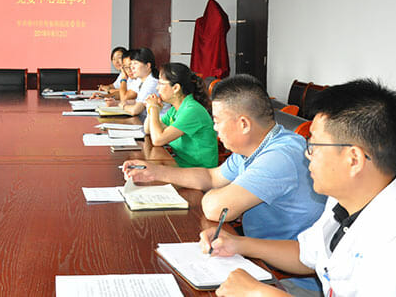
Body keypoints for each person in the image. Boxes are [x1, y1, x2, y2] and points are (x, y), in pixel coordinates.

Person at [200, 79, 396, 297]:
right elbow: (307, 254)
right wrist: (238, 244)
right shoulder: (345, 199)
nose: (307, 155)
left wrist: (260, 293)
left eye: (314, 145)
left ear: (353, 159)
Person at [123, 74, 325, 292]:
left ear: (244, 124)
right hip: (256, 257)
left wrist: (219, 195)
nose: (214, 128)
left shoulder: (280, 155)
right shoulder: (255, 146)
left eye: (218, 121)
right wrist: (157, 172)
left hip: (287, 279)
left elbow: (216, 208)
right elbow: (212, 178)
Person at [144, 63, 218, 168]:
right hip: (181, 163)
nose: (157, 88)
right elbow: (147, 130)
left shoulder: (192, 110)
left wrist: (154, 108)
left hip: (198, 169)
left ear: (176, 88)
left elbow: (157, 140)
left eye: (161, 83)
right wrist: (151, 109)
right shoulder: (175, 109)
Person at [118, 47, 164, 117]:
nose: (132, 67)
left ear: (148, 66)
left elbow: (135, 110)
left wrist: (123, 106)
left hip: (159, 121)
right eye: (131, 64)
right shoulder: (142, 80)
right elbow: (139, 101)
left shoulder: (151, 83)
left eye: (135, 63)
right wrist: (119, 103)